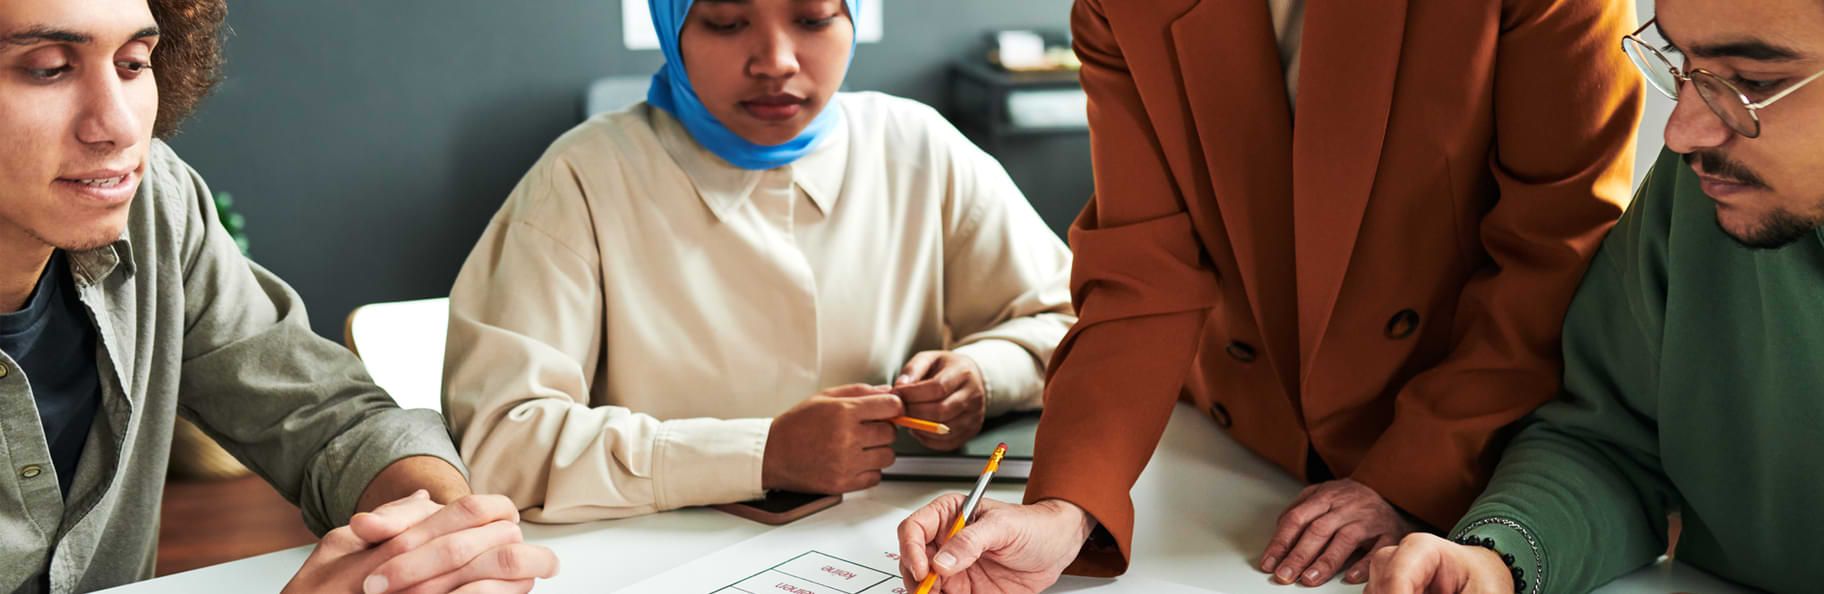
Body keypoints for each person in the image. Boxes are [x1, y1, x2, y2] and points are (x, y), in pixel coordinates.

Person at [897, 0, 1645, 590]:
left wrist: (1413, 471)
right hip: (1242, 444)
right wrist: (1068, 505)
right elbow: (1141, 268)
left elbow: (1555, 251)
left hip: (1468, 455)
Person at [0, 0, 559, 592]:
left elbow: (325, 418)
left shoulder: (157, 205)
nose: (117, 125)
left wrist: (441, 531)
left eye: (135, 63)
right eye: (49, 68)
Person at [443, 0, 1074, 523]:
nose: (775, 61)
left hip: (889, 540)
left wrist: (983, 375)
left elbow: (1073, 323)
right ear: (673, 28)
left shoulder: (918, 148)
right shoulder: (580, 178)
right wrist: (760, 454)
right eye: (725, 21)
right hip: (657, 557)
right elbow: (504, 446)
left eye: (815, 18)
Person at [1365, 0, 1824, 592]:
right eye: (1681, 62)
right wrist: (1498, 559)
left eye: (1754, 82)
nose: (1682, 133)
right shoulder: (1711, 188)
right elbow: (1611, 445)